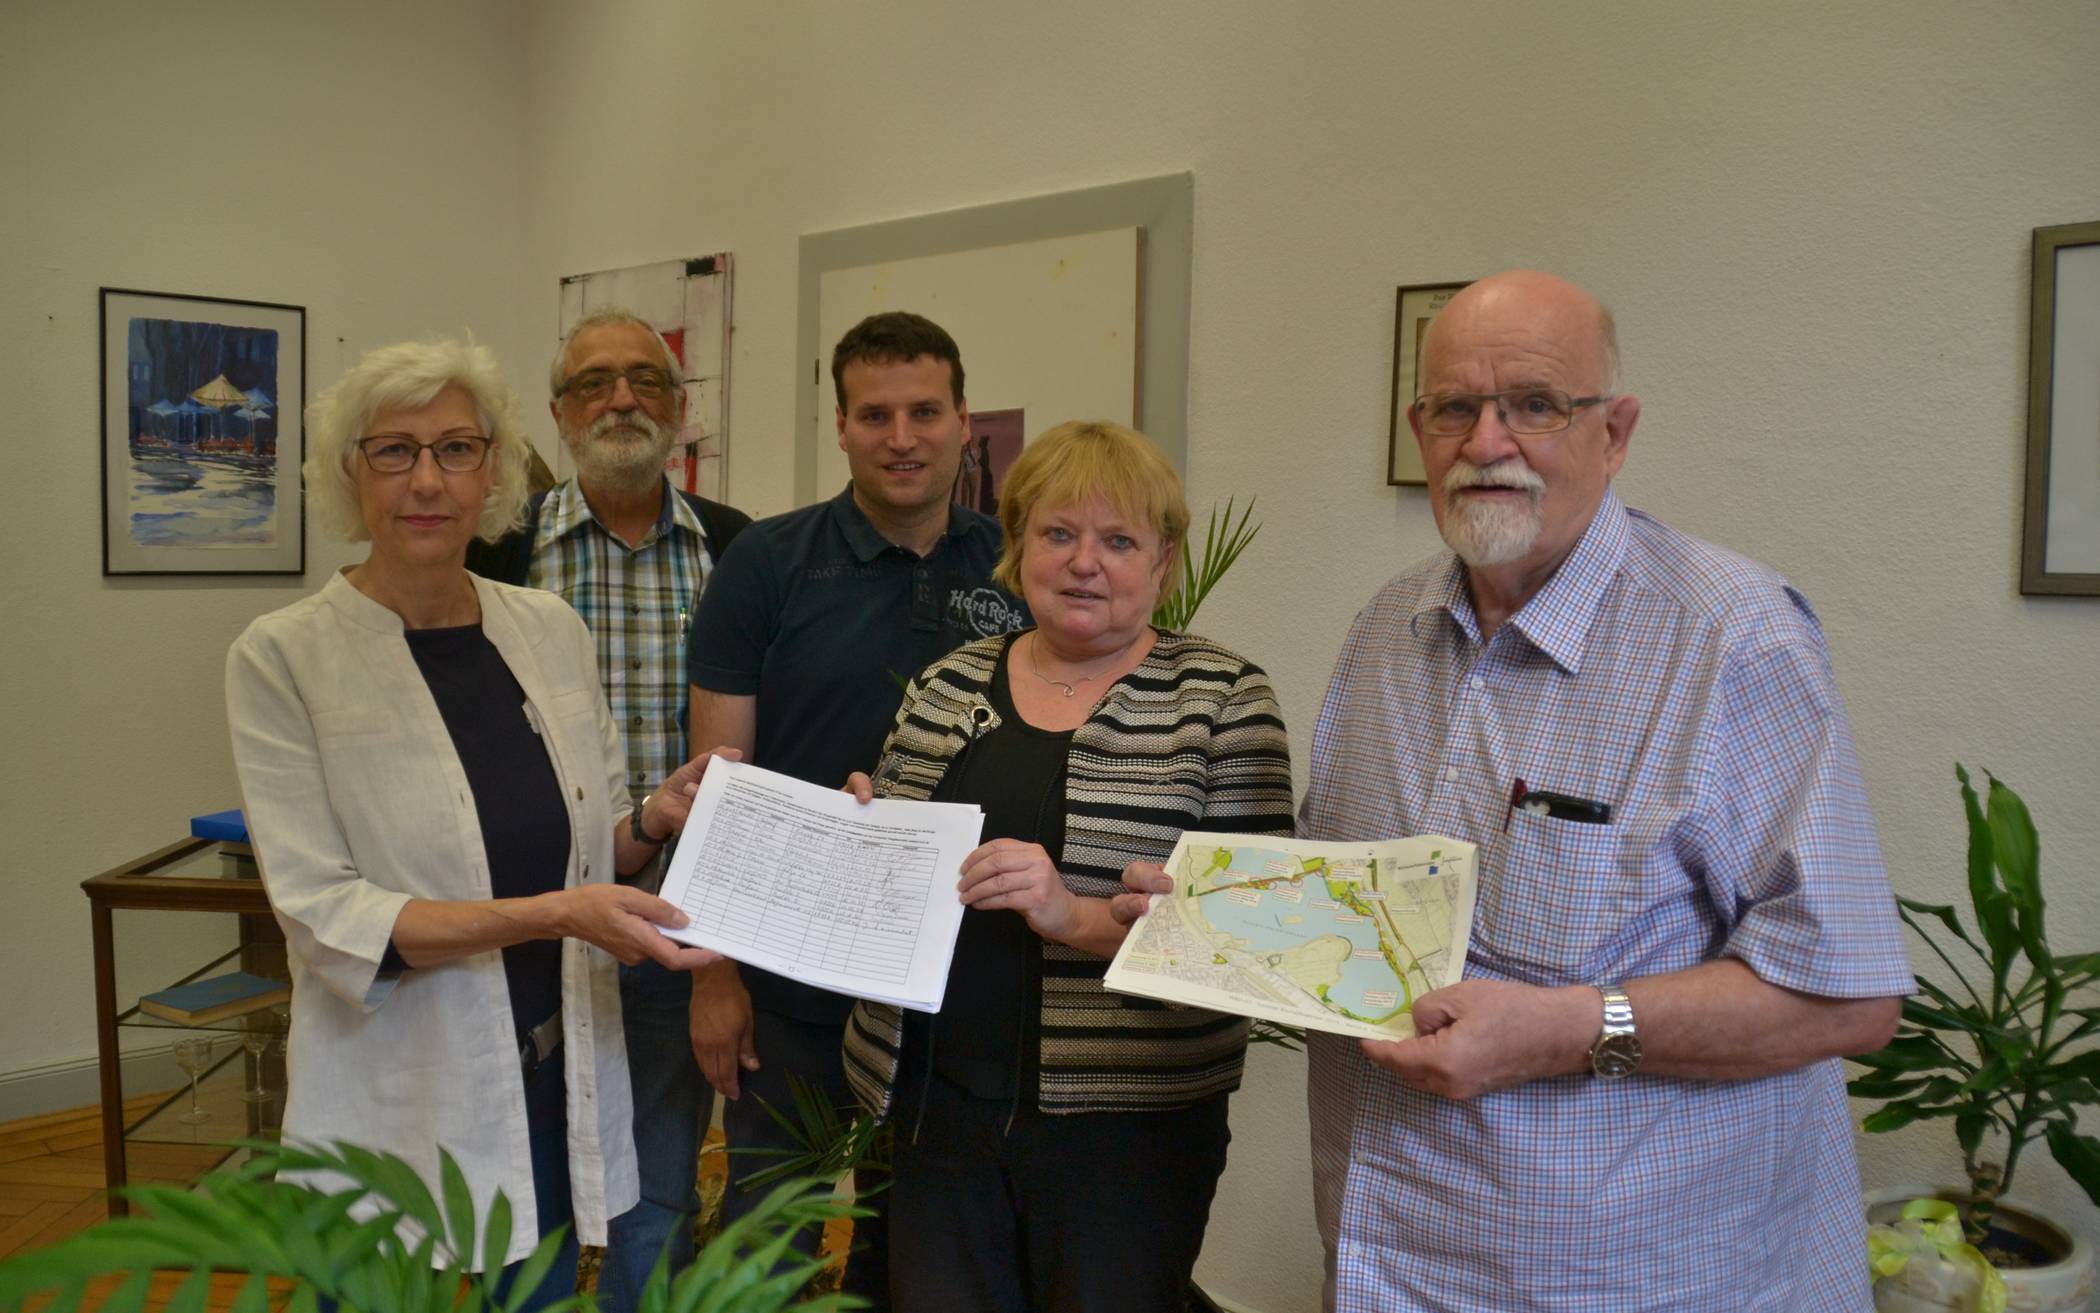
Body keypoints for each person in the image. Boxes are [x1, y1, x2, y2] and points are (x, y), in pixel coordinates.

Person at [1280, 270, 1912, 1311]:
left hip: (1635, 1279)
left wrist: (1572, 1025)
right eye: (1455, 408)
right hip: (1387, 1259)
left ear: (1613, 433)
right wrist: (1209, 919)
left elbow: (1847, 997)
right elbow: (1350, 908)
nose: (1488, 442)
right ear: (1419, 429)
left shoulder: (1735, 638)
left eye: (1534, 404)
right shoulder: (1383, 629)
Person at [226, 338, 728, 1312]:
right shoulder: (282, 657)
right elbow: (327, 914)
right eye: (394, 450)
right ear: (348, 471)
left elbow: (594, 845)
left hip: (548, 1079)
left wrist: (655, 818)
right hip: (398, 1091)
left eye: (457, 448)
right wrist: (554, 912)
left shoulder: (548, 629)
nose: (428, 479)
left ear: (493, 470)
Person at [838, 419, 1294, 1311]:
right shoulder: (948, 685)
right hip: (935, 1116)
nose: (1086, 561)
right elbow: (892, 878)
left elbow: (1258, 946)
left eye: (1119, 540)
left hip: (1125, 1140)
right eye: (1058, 534)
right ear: (1017, 548)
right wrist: (863, 834)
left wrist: (1073, 916)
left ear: (1163, 562)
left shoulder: (1223, 699)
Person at [684, 311, 1029, 1297]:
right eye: (875, 413)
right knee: (767, 1238)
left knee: (920, 1245)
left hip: (959, 979)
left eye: (926, 410)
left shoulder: (1016, 566)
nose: (902, 435)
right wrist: (714, 976)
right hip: (788, 979)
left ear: (965, 420)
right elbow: (718, 777)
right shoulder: (768, 563)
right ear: (840, 426)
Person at [465, 307, 751, 1313]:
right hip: (530, 929)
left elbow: (756, 768)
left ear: (681, 412)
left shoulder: (742, 553)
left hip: (677, 930)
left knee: (658, 1187)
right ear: (557, 409)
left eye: (646, 380)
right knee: (523, 1185)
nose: (621, 398)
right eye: (594, 382)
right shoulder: (492, 556)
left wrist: (724, 956)